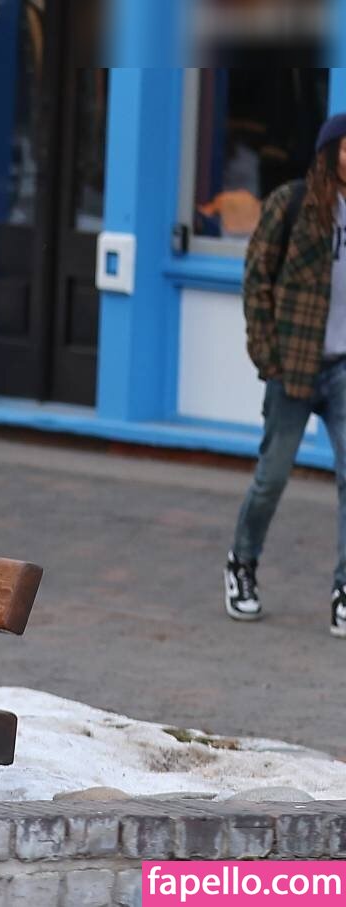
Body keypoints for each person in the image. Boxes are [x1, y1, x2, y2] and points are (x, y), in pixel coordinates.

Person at [227, 111, 346, 640]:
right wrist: (266, 355)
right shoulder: (292, 203)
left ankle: (344, 590)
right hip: (293, 365)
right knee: (273, 476)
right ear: (328, 152)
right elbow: (256, 278)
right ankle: (242, 563)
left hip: (344, 368)